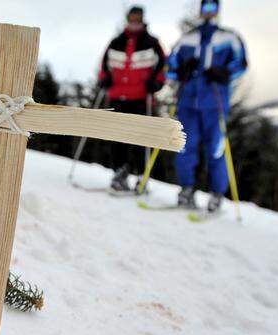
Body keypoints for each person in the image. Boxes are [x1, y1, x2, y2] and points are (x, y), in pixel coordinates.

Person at [167, 0, 247, 212]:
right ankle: (186, 189)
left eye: (213, 8)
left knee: (216, 149)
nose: (209, 13)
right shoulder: (188, 37)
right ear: (200, 11)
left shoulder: (229, 37)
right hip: (188, 102)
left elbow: (241, 63)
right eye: (206, 8)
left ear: (218, 11)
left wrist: (225, 73)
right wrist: (182, 70)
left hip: (215, 101)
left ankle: (216, 193)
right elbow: (171, 67)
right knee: (184, 145)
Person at [98, 6, 166, 192]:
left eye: (138, 18)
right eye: (131, 18)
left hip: (141, 97)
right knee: (117, 136)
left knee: (139, 137)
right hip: (117, 96)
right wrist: (104, 78)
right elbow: (104, 65)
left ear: (143, 19)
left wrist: (157, 83)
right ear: (127, 19)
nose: (134, 21)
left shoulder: (151, 42)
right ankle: (120, 172)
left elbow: (162, 66)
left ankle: (141, 176)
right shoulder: (116, 42)